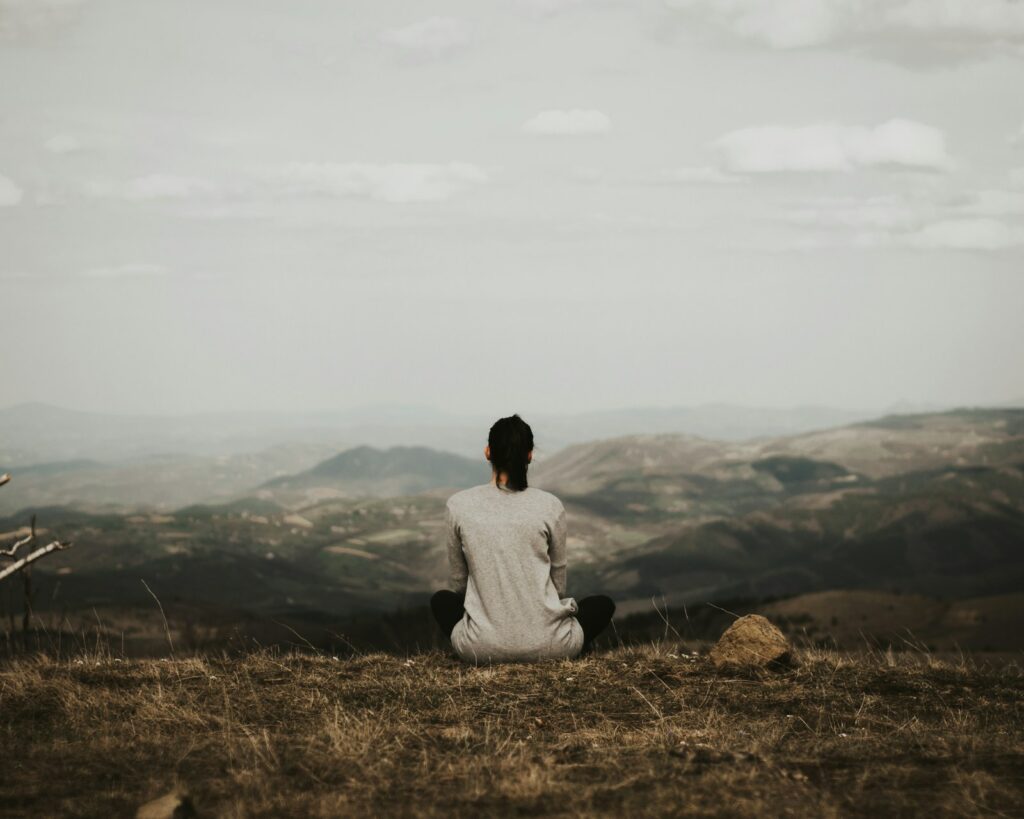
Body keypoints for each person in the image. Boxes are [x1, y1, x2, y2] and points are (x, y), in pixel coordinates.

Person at [430, 413, 615, 664]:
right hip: (552, 647)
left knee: (441, 600)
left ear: (487, 452)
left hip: (480, 648)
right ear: (529, 455)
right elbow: (558, 586)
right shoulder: (550, 505)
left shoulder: (458, 505)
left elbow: (459, 584)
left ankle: (489, 640)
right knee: (602, 604)